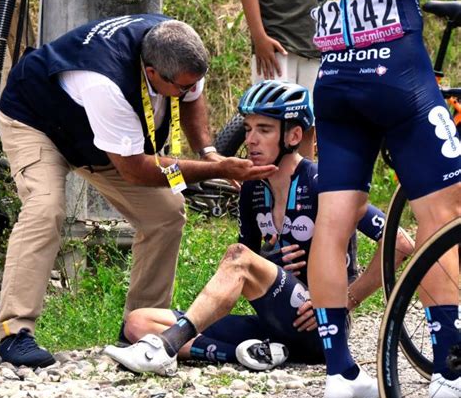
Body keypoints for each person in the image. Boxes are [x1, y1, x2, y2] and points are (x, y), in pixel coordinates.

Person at [0, 14, 277, 369]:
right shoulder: (104, 83)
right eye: (181, 86)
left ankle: (140, 328)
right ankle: (14, 332)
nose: (188, 92)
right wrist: (217, 169)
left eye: (194, 84)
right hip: (36, 122)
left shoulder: (177, 45)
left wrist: (208, 152)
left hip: (99, 140)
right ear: (152, 71)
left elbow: (191, 99)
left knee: (165, 214)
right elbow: (136, 170)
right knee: (46, 208)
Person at [103, 80, 413, 376]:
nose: (250, 139)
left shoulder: (321, 181)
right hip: (272, 323)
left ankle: (168, 346)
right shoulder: (252, 190)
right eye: (248, 128)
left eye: (264, 130)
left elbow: (400, 243)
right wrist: (273, 262)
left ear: (292, 137)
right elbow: (244, 268)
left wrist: (349, 299)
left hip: (320, 327)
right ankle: (253, 353)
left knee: (236, 259)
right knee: (137, 322)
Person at [297, 0, 461, 398]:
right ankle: (449, 365)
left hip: (335, 77)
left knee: (332, 224)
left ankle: (339, 373)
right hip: (399, 73)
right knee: (444, 216)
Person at [239, 0, 320, 159]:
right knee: (269, 124)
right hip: (276, 43)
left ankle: (302, 189)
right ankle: (265, 190)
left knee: (306, 125)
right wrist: (259, 37)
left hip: (315, 42)